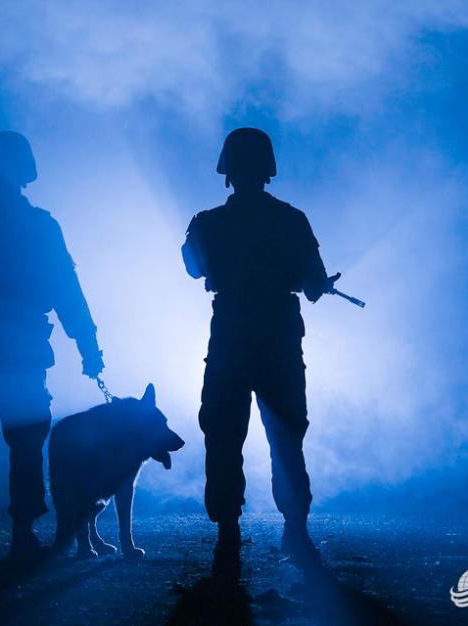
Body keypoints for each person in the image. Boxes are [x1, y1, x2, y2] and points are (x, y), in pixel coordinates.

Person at [0, 131, 104, 564]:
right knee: (23, 443)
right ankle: (20, 534)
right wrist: (88, 347)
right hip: (22, 350)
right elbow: (68, 292)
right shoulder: (41, 227)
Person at [181, 128, 339, 567]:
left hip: (231, 333)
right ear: (268, 168)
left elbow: (193, 269)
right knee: (286, 435)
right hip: (277, 336)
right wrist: (320, 287)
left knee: (224, 432)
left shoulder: (209, 222)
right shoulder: (292, 220)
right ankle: (296, 531)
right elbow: (311, 285)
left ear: (226, 169)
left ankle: (228, 533)